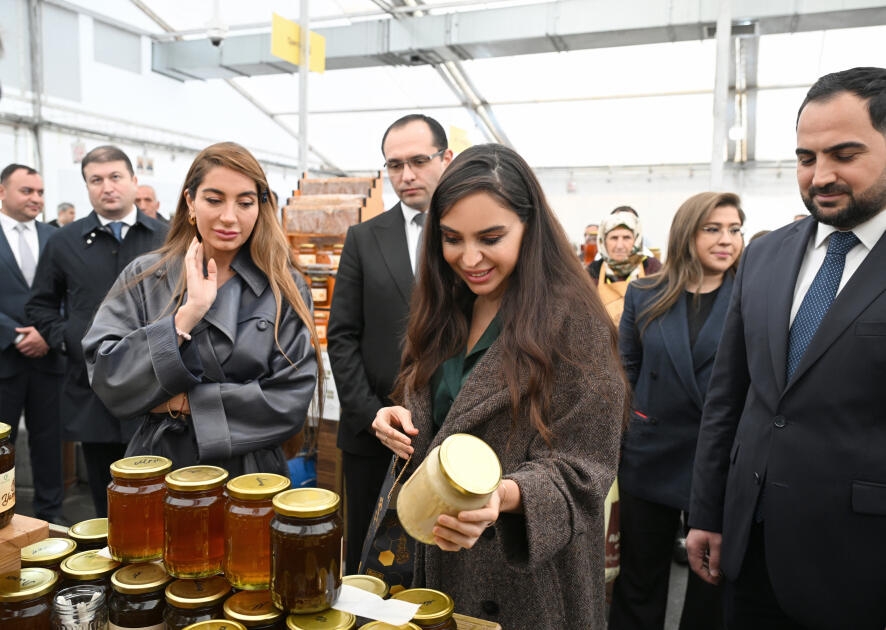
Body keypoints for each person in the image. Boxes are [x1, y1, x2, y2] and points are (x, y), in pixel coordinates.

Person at [370, 143, 626, 629]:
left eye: (491, 237)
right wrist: (399, 416)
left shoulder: (576, 322)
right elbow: (443, 402)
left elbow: (588, 467)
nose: (469, 258)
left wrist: (505, 495)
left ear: (531, 229)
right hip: (437, 550)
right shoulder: (446, 303)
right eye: (450, 238)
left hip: (528, 578)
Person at [687, 66, 886, 630]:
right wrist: (707, 512)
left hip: (863, 561)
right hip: (749, 548)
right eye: (806, 158)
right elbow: (728, 399)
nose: (820, 175)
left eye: (844, 154)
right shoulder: (765, 256)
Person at [82, 142, 320, 476]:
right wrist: (186, 316)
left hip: (252, 476)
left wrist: (185, 403)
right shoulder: (147, 275)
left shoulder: (284, 287)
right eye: (214, 199)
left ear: (260, 207)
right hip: (157, 468)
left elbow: (291, 399)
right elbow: (108, 374)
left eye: (245, 202)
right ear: (190, 202)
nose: (229, 216)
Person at [609, 192, 745, 630]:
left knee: (710, 579)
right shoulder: (645, 292)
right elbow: (626, 371)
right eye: (713, 229)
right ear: (687, 233)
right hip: (650, 451)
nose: (727, 239)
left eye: (735, 229)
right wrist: (627, 433)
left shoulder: (751, 295)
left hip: (719, 454)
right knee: (640, 578)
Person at [327, 113, 452, 572]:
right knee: (367, 559)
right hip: (373, 434)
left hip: (447, 434)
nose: (407, 175)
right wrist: (368, 413)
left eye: (419, 161)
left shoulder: (466, 237)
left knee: (439, 562)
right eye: (394, 165)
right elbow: (341, 336)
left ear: (446, 159)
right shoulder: (364, 238)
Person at [26, 145, 168, 518]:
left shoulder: (167, 239)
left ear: (134, 181)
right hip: (94, 391)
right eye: (96, 180)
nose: (107, 187)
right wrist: (68, 339)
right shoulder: (64, 242)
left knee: (160, 497)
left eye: (116, 177)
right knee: (109, 504)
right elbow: (40, 305)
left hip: (159, 388)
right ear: (87, 187)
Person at [0, 163, 67, 525]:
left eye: (40, 192)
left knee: (49, 444)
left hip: (48, 357)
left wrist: (48, 334)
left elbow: (69, 292)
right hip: (4, 359)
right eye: (27, 191)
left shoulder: (56, 237)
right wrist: (13, 334)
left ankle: (51, 517)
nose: (36, 199)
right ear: (2, 192)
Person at [587, 210, 662, 323]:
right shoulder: (593, 272)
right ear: (603, 241)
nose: (620, 245)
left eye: (626, 237)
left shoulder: (651, 268)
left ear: (636, 239)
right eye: (614, 238)